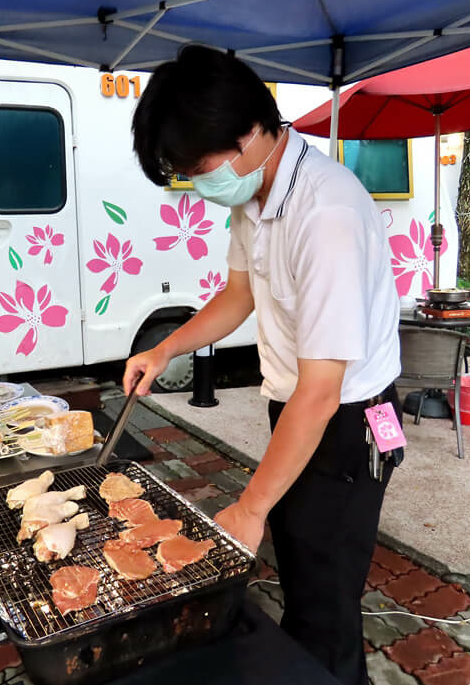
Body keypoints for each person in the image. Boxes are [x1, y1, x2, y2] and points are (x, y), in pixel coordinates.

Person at [124, 45, 403, 685]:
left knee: (325, 605)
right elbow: (239, 294)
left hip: (343, 420)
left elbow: (324, 390)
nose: (199, 183)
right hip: (299, 408)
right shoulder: (257, 194)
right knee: (302, 568)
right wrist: (166, 348)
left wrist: (248, 510)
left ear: (251, 133)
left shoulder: (326, 212)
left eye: (200, 167)